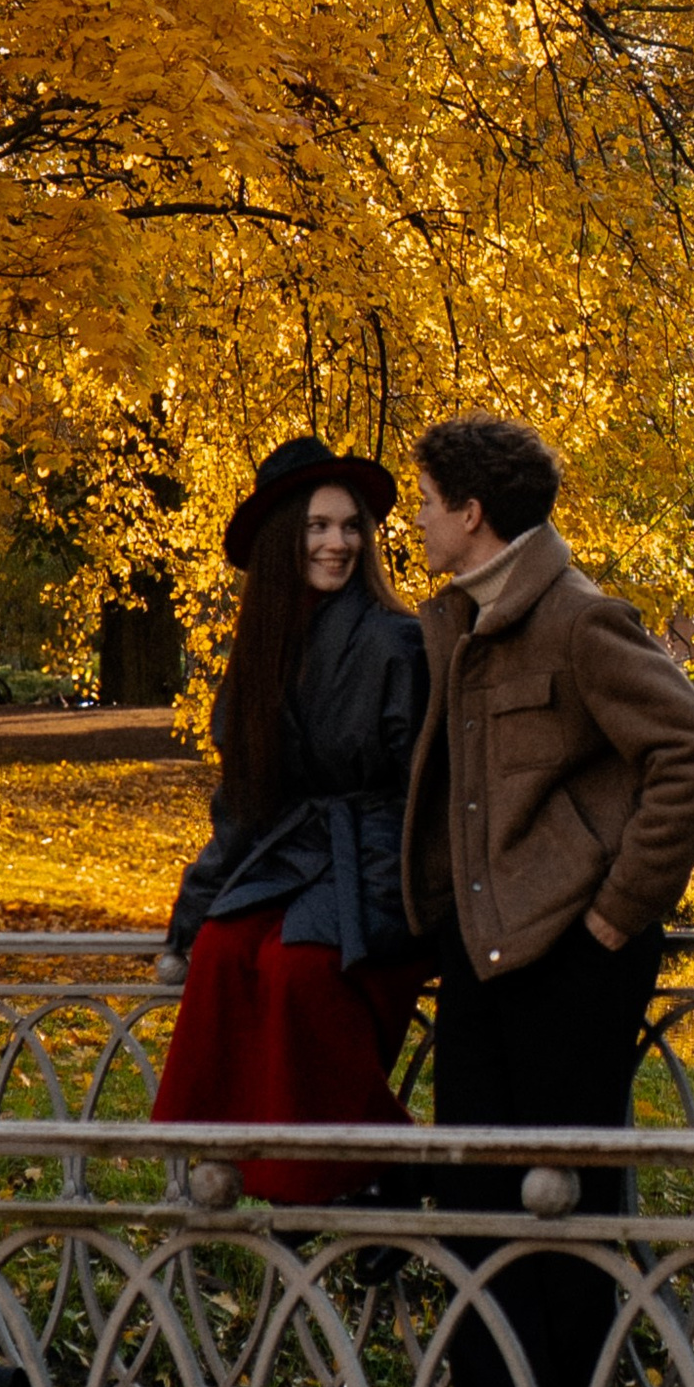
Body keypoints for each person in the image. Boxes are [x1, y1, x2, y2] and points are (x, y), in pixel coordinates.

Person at [405, 413, 694, 1387]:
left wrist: (612, 915)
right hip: (482, 958)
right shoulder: (458, 624)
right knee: (474, 1214)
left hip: (567, 963)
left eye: (426, 499)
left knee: (567, 1220)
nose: (416, 517)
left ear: (472, 514)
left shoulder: (579, 622)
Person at [153, 437, 429, 1203]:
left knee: (298, 965)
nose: (337, 543)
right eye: (317, 527)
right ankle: (243, 1160)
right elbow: (241, 802)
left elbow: (422, 795)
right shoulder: (263, 648)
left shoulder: (394, 640)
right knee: (221, 951)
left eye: (349, 527)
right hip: (294, 856)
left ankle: (371, 1163)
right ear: (284, 539)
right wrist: (193, 915)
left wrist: (402, 897)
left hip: (379, 857)